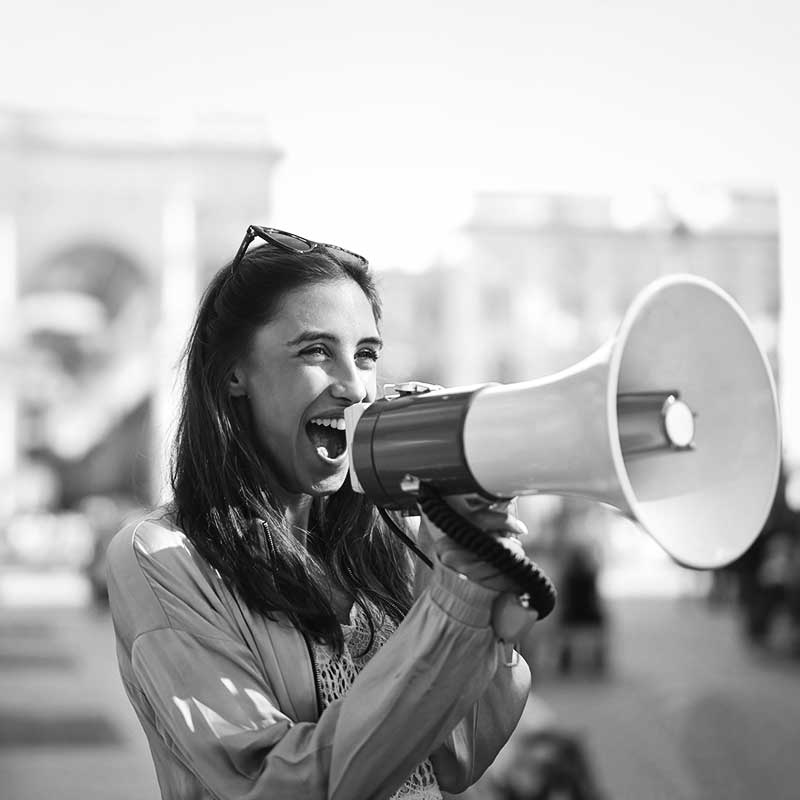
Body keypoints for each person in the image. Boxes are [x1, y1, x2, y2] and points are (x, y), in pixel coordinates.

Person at [106, 226, 547, 800]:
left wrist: (476, 588)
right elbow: (274, 783)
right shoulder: (161, 556)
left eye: (365, 355)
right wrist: (449, 608)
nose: (356, 386)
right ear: (233, 372)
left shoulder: (391, 537)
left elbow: (458, 756)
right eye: (317, 350)